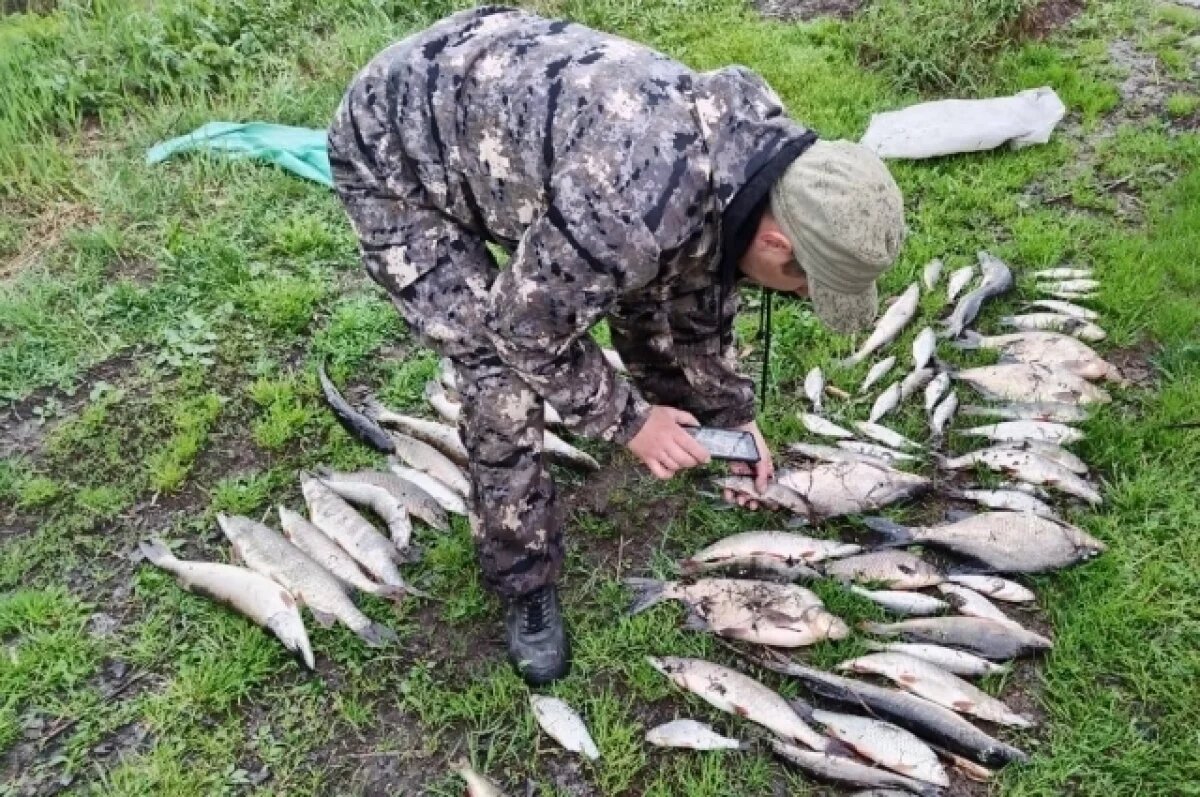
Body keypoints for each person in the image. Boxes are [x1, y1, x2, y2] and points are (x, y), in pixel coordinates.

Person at [327, 5, 905, 685]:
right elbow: (523, 328)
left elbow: (694, 276)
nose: (805, 298)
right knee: (496, 370)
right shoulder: (631, 206)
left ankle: (683, 423)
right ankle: (522, 579)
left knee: (658, 269)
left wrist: (728, 416)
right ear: (778, 242)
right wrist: (631, 421)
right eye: (808, 283)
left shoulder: (760, 157)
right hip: (395, 154)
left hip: (493, 103)